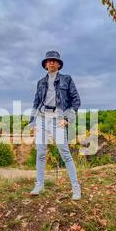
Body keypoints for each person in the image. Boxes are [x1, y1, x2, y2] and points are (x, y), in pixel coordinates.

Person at [28, 50, 81, 200]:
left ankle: (76, 188)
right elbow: (36, 102)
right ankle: (39, 184)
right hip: (42, 117)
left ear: (58, 64)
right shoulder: (40, 82)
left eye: (54, 60)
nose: (51, 62)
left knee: (65, 153)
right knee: (41, 152)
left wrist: (67, 118)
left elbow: (76, 101)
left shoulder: (67, 79)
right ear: (45, 64)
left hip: (58, 118)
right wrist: (32, 121)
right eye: (48, 60)